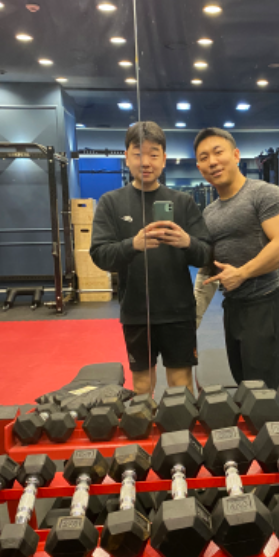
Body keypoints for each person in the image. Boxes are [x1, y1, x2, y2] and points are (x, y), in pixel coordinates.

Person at [90, 121, 211, 394]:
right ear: (127, 157)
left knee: (181, 384)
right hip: (136, 312)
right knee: (142, 386)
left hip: (178, 312)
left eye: (153, 154)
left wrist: (187, 242)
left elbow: (206, 254)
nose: (145, 162)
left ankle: (180, 426)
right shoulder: (111, 202)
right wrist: (132, 245)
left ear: (164, 159)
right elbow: (100, 255)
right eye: (138, 154)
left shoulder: (183, 202)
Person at [193, 127, 279, 389]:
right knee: (243, 384)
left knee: (264, 391)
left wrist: (242, 273)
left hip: (265, 304)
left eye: (218, 152)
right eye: (204, 157)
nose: (212, 162)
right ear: (199, 167)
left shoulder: (264, 193)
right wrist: (193, 319)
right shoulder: (209, 212)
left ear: (236, 155)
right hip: (233, 308)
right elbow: (208, 269)